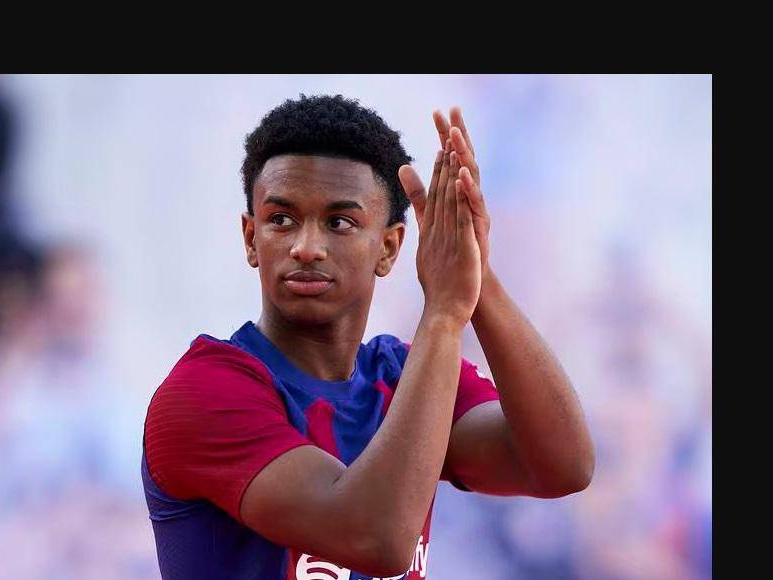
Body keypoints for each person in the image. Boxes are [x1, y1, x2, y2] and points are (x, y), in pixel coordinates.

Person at [141, 94, 595, 579]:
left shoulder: (401, 375)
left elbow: (562, 466)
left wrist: (477, 275)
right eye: (281, 220)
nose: (306, 247)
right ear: (252, 239)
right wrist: (444, 313)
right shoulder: (203, 392)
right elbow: (377, 540)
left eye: (339, 222)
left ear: (389, 247)